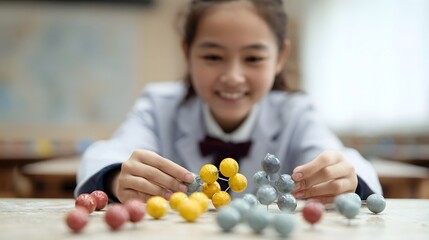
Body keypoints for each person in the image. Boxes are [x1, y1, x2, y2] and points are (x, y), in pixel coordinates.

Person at [75, 0, 382, 204]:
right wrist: (117, 176)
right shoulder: (158, 106)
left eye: (253, 58)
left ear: (280, 58)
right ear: (187, 53)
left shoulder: (296, 112)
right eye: (212, 56)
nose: (233, 76)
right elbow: (105, 154)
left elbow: (340, 160)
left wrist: (345, 180)